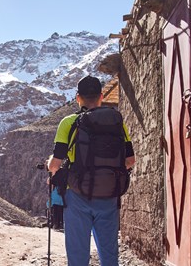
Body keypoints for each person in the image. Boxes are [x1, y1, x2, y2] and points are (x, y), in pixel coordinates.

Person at [45, 75, 136, 266]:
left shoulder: (69, 122)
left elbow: (55, 165)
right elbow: (130, 161)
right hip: (109, 194)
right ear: (101, 97)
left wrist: (50, 165)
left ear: (78, 98)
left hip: (77, 195)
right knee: (109, 253)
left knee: (78, 255)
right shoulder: (116, 123)